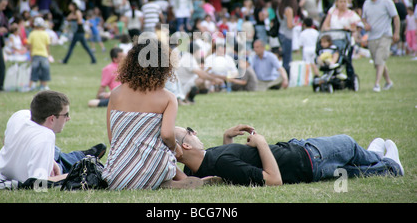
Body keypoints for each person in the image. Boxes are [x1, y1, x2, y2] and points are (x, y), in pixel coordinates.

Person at [102, 37, 208, 190]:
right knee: (164, 148)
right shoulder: (168, 98)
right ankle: (179, 180)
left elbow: (113, 138)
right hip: (152, 170)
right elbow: (166, 135)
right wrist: (175, 148)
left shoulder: (115, 93)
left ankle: (177, 181)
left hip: (116, 176)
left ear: (131, 62)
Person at [175, 124, 404, 187]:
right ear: (185, 146)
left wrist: (227, 138)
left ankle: (389, 167)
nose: (195, 133)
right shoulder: (218, 162)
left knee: (352, 171)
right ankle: (376, 156)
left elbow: (235, 167)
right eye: (189, 131)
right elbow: (273, 180)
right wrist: (262, 143)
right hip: (305, 158)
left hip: (305, 165)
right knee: (348, 145)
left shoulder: (198, 168)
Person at [0, 90, 107, 183]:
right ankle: (79, 157)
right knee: (58, 156)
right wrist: (74, 174)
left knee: (54, 152)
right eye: (66, 115)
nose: (68, 118)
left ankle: (78, 156)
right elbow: (39, 183)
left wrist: (50, 160)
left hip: (5, 173)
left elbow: (5, 141)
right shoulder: (45, 137)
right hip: (21, 176)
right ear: (52, 119)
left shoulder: (20, 115)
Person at [362, 0, 400, 92]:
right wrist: (365, 24)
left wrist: (396, 33)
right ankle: (388, 82)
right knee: (378, 61)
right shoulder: (366, 3)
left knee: (379, 59)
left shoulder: (386, 2)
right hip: (372, 37)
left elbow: (395, 17)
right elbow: (363, 18)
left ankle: (377, 84)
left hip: (385, 35)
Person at [321, 0, 361, 81]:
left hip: (344, 40)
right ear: (337, 2)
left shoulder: (352, 14)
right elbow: (325, 24)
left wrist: (350, 28)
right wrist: (326, 29)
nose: (343, 4)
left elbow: (357, 27)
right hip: (331, 38)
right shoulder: (332, 11)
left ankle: (350, 77)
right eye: (341, 1)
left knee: (346, 60)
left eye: (344, 1)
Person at [61, 0, 97, 64]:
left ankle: (65, 61)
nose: (69, 6)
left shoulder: (78, 12)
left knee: (71, 47)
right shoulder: (73, 13)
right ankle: (94, 59)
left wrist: (73, 18)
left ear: (74, 6)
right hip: (77, 32)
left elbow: (80, 21)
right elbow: (67, 18)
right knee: (85, 47)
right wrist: (72, 17)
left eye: (71, 5)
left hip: (79, 32)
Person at [277, 0, 299, 77]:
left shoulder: (280, 8)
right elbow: (289, 25)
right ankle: (287, 77)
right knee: (287, 58)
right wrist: (296, 24)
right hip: (287, 35)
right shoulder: (289, 9)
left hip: (281, 33)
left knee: (284, 57)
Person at [27, 17, 51, 91]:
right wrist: (48, 55)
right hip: (44, 55)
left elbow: (30, 46)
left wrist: (30, 56)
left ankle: (31, 85)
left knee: (34, 70)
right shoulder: (45, 34)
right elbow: (47, 46)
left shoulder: (32, 34)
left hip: (35, 55)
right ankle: (44, 85)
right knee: (44, 70)